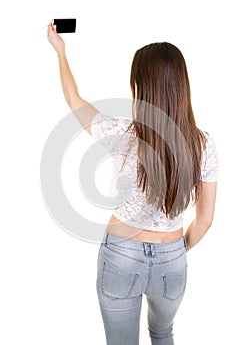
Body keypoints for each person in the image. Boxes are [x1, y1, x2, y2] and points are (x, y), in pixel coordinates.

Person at [47, 22, 218, 345]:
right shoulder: (203, 145)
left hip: (121, 257)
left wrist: (60, 51)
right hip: (173, 260)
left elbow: (73, 98)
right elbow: (206, 220)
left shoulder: (122, 133)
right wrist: (174, 251)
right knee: (163, 333)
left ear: (141, 87)